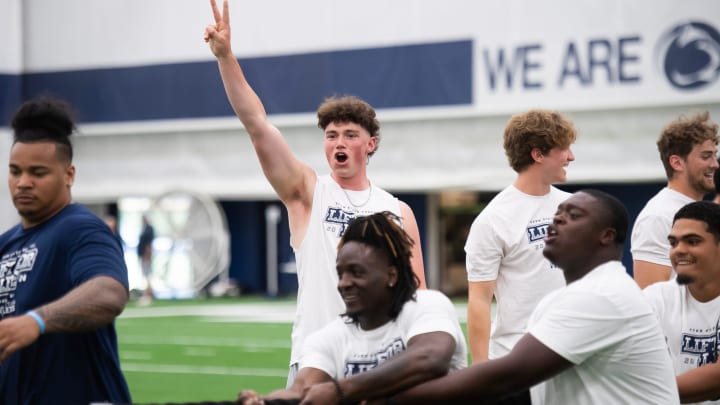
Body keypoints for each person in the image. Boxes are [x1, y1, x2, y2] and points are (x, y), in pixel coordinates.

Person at [204, 0, 426, 385]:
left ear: (370, 144)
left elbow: (417, 296)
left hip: (382, 367)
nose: (338, 142)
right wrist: (226, 57)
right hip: (315, 364)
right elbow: (257, 125)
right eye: (331, 135)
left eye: (350, 135)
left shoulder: (397, 210)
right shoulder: (308, 192)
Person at [375, 190, 679, 405]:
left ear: (606, 236)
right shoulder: (561, 300)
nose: (556, 221)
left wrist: (379, 396)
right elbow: (527, 392)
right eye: (557, 214)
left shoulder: (603, 294)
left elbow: (508, 377)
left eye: (572, 216)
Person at [238, 211, 466, 405]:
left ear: (391, 275)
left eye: (357, 272)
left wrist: (341, 390)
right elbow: (301, 390)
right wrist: (265, 401)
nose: (344, 283)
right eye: (341, 273)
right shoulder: (329, 338)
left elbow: (430, 359)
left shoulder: (426, 306)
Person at [0, 96, 131, 404]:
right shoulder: (5, 244)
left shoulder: (80, 228)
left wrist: (37, 320)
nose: (23, 183)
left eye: (38, 172)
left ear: (68, 175)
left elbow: (109, 293)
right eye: (15, 171)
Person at [464, 109, 576, 403]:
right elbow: (478, 300)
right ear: (538, 154)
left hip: (574, 359)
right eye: (563, 149)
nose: (571, 156)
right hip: (517, 367)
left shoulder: (575, 207)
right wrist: (480, 375)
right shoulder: (493, 220)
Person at [643, 201, 720, 404]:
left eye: (692, 241)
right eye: (673, 243)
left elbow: (717, 378)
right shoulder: (655, 297)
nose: (679, 250)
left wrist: (639, 393)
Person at [632, 111, 719, 289]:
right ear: (677, 163)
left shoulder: (704, 210)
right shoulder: (658, 216)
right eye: (705, 156)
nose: (715, 164)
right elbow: (651, 298)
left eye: (714, 155)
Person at [137, 214, 155, 304]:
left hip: (146, 256)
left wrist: (147, 256)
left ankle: (148, 295)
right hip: (143, 255)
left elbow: (148, 244)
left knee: (147, 276)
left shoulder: (149, 229)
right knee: (145, 275)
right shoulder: (144, 228)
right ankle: (148, 294)